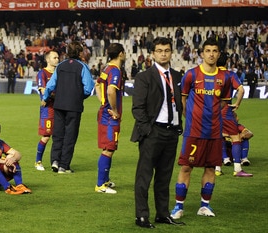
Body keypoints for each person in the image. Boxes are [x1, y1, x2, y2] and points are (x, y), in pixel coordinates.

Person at [170, 38, 232, 219]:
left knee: (211, 168)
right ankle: (178, 206)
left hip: (214, 131)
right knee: (186, 167)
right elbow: (182, 99)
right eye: (208, 51)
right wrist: (190, 117)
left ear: (219, 54)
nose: (211, 54)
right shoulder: (191, 75)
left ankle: (204, 206)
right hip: (193, 132)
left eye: (215, 51)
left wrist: (211, 114)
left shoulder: (225, 78)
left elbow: (223, 102)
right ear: (202, 53)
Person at [131, 37, 185, 229]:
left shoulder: (178, 77)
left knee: (164, 177)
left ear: (172, 53)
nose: (163, 53)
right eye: (160, 50)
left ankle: (162, 214)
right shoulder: (144, 77)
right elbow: (138, 108)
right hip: (153, 132)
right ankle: (142, 216)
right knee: (144, 177)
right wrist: (148, 130)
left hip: (171, 133)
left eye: (167, 50)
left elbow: (181, 104)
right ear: (153, 54)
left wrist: (179, 127)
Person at [42, 41, 94, 174]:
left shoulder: (60, 66)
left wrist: (45, 98)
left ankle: (55, 160)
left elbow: (50, 85)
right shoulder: (82, 67)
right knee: (70, 135)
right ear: (80, 52)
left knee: (58, 133)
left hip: (59, 104)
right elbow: (88, 88)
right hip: (74, 106)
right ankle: (63, 166)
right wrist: (78, 97)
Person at [94, 43, 126, 194]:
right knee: (109, 148)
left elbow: (97, 85)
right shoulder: (115, 71)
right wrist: (113, 110)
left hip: (104, 114)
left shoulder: (106, 68)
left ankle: (105, 180)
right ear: (121, 54)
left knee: (110, 148)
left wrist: (102, 103)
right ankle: (100, 185)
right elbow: (111, 91)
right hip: (109, 117)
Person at [214, 53, 252, 177]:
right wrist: (237, 103)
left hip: (211, 111)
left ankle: (217, 169)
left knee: (218, 138)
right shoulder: (230, 74)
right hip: (225, 110)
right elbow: (241, 90)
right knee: (235, 137)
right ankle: (237, 169)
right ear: (226, 62)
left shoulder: (210, 74)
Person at [35, 50, 59, 171]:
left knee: (59, 136)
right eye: (54, 58)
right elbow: (44, 91)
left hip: (59, 109)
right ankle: (38, 161)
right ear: (48, 60)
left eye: (58, 57)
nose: (57, 59)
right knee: (46, 136)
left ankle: (56, 161)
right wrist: (58, 96)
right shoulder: (42, 73)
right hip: (48, 110)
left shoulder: (59, 73)